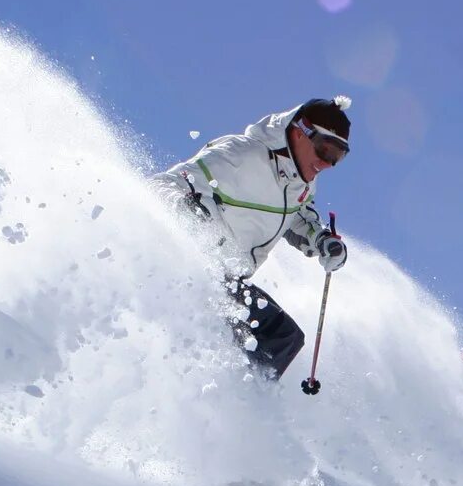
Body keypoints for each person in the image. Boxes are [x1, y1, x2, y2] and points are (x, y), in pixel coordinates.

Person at [149, 96, 352, 380]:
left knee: (284, 340)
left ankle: (243, 402)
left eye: (337, 157)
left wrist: (320, 240)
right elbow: (163, 184)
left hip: (230, 279)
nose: (326, 163)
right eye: (324, 149)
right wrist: (185, 208)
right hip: (194, 268)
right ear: (299, 131)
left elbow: (297, 214)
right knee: (279, 335)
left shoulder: (301, 182)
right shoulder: (240, 154)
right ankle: (235, 397)